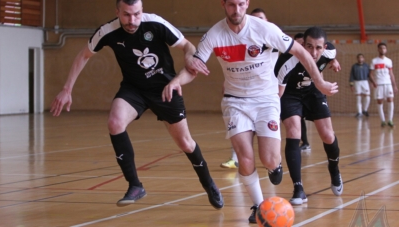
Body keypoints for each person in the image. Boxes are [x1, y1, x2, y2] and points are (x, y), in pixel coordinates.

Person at [163, 0, 338, 223]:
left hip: (266, 99)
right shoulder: (214, 35)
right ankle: (258, 207)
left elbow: (302, 53)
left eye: (240, 4)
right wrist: (177, 81)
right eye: (231, 5)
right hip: (235, 102)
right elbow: (194, 68)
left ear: (246, 3)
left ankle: (275, 165)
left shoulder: (265, 29)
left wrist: (320, 82)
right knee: (245, 159)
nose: (236, 10)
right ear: (223, 5)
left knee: (269, 159)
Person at [50, 0, 223, 209]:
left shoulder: (155, 23)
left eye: (136, 14)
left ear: (142, 11)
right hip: (134, 89)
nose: (132, 21)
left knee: (186, 143)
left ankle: (208, 183)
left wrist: (189, 58)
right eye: (126, 15)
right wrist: (67, 89)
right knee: (115, 122)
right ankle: (135, 185)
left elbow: (187, 45)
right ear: (117, 12)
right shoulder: (107, 31)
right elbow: (83, 55)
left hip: (165, 88)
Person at [275, 27, 343, 205]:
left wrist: (333, 61)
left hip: (313, 92)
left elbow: (330, 54)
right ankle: (298, 188)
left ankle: (334, 169)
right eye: (309, 46)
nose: (313, 52)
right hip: (290, 95)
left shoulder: (329, 51)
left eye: (318, 48)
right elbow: (278, 94)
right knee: (294, 132)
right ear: (302, 44)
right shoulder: (287, 61)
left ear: (324, 47)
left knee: (328, 135)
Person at [220, 7, 272, 169]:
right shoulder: (241, 41)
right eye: (254, 18)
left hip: (267, 95)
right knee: (239, 129)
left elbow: (298, 50)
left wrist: (330, 59)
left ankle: (272, 162)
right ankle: (235, 158)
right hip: (241, 97)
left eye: (261, 19)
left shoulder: (272, 38)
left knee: (268, 145)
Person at [369, 43, 398, 127]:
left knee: (390, 100)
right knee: (380, 101)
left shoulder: (389, 61)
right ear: (378, 49)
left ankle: (390, 120)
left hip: (388, 83)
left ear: (386, 50)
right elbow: (370, 74)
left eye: (384, 48)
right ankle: (382, 121)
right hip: (379, 84)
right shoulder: (374, 61)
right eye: (381, 48)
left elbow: (391, 74)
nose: (382, 50)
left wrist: (394, 85)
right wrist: (374, 82)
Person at [292, 32, 311, 151]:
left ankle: (305, 142)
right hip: (294, 94)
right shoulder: (289, 58)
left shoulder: (310, 58)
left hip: (308, 93)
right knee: (297, 119)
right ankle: (303, 142)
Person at [350, 53, 371, 118]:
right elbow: (351, 76)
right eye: (359, 57)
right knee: (358, 97)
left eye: (361, 57)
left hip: (365, 82)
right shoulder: (354, 66)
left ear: (363, 58)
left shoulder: (366, 66)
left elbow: (370, 75)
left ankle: (365, 110)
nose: (360, 59)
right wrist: (351, 84)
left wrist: (372, 82)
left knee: (367, 97)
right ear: (357, 59)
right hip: (357, 82)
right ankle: (359, 112)